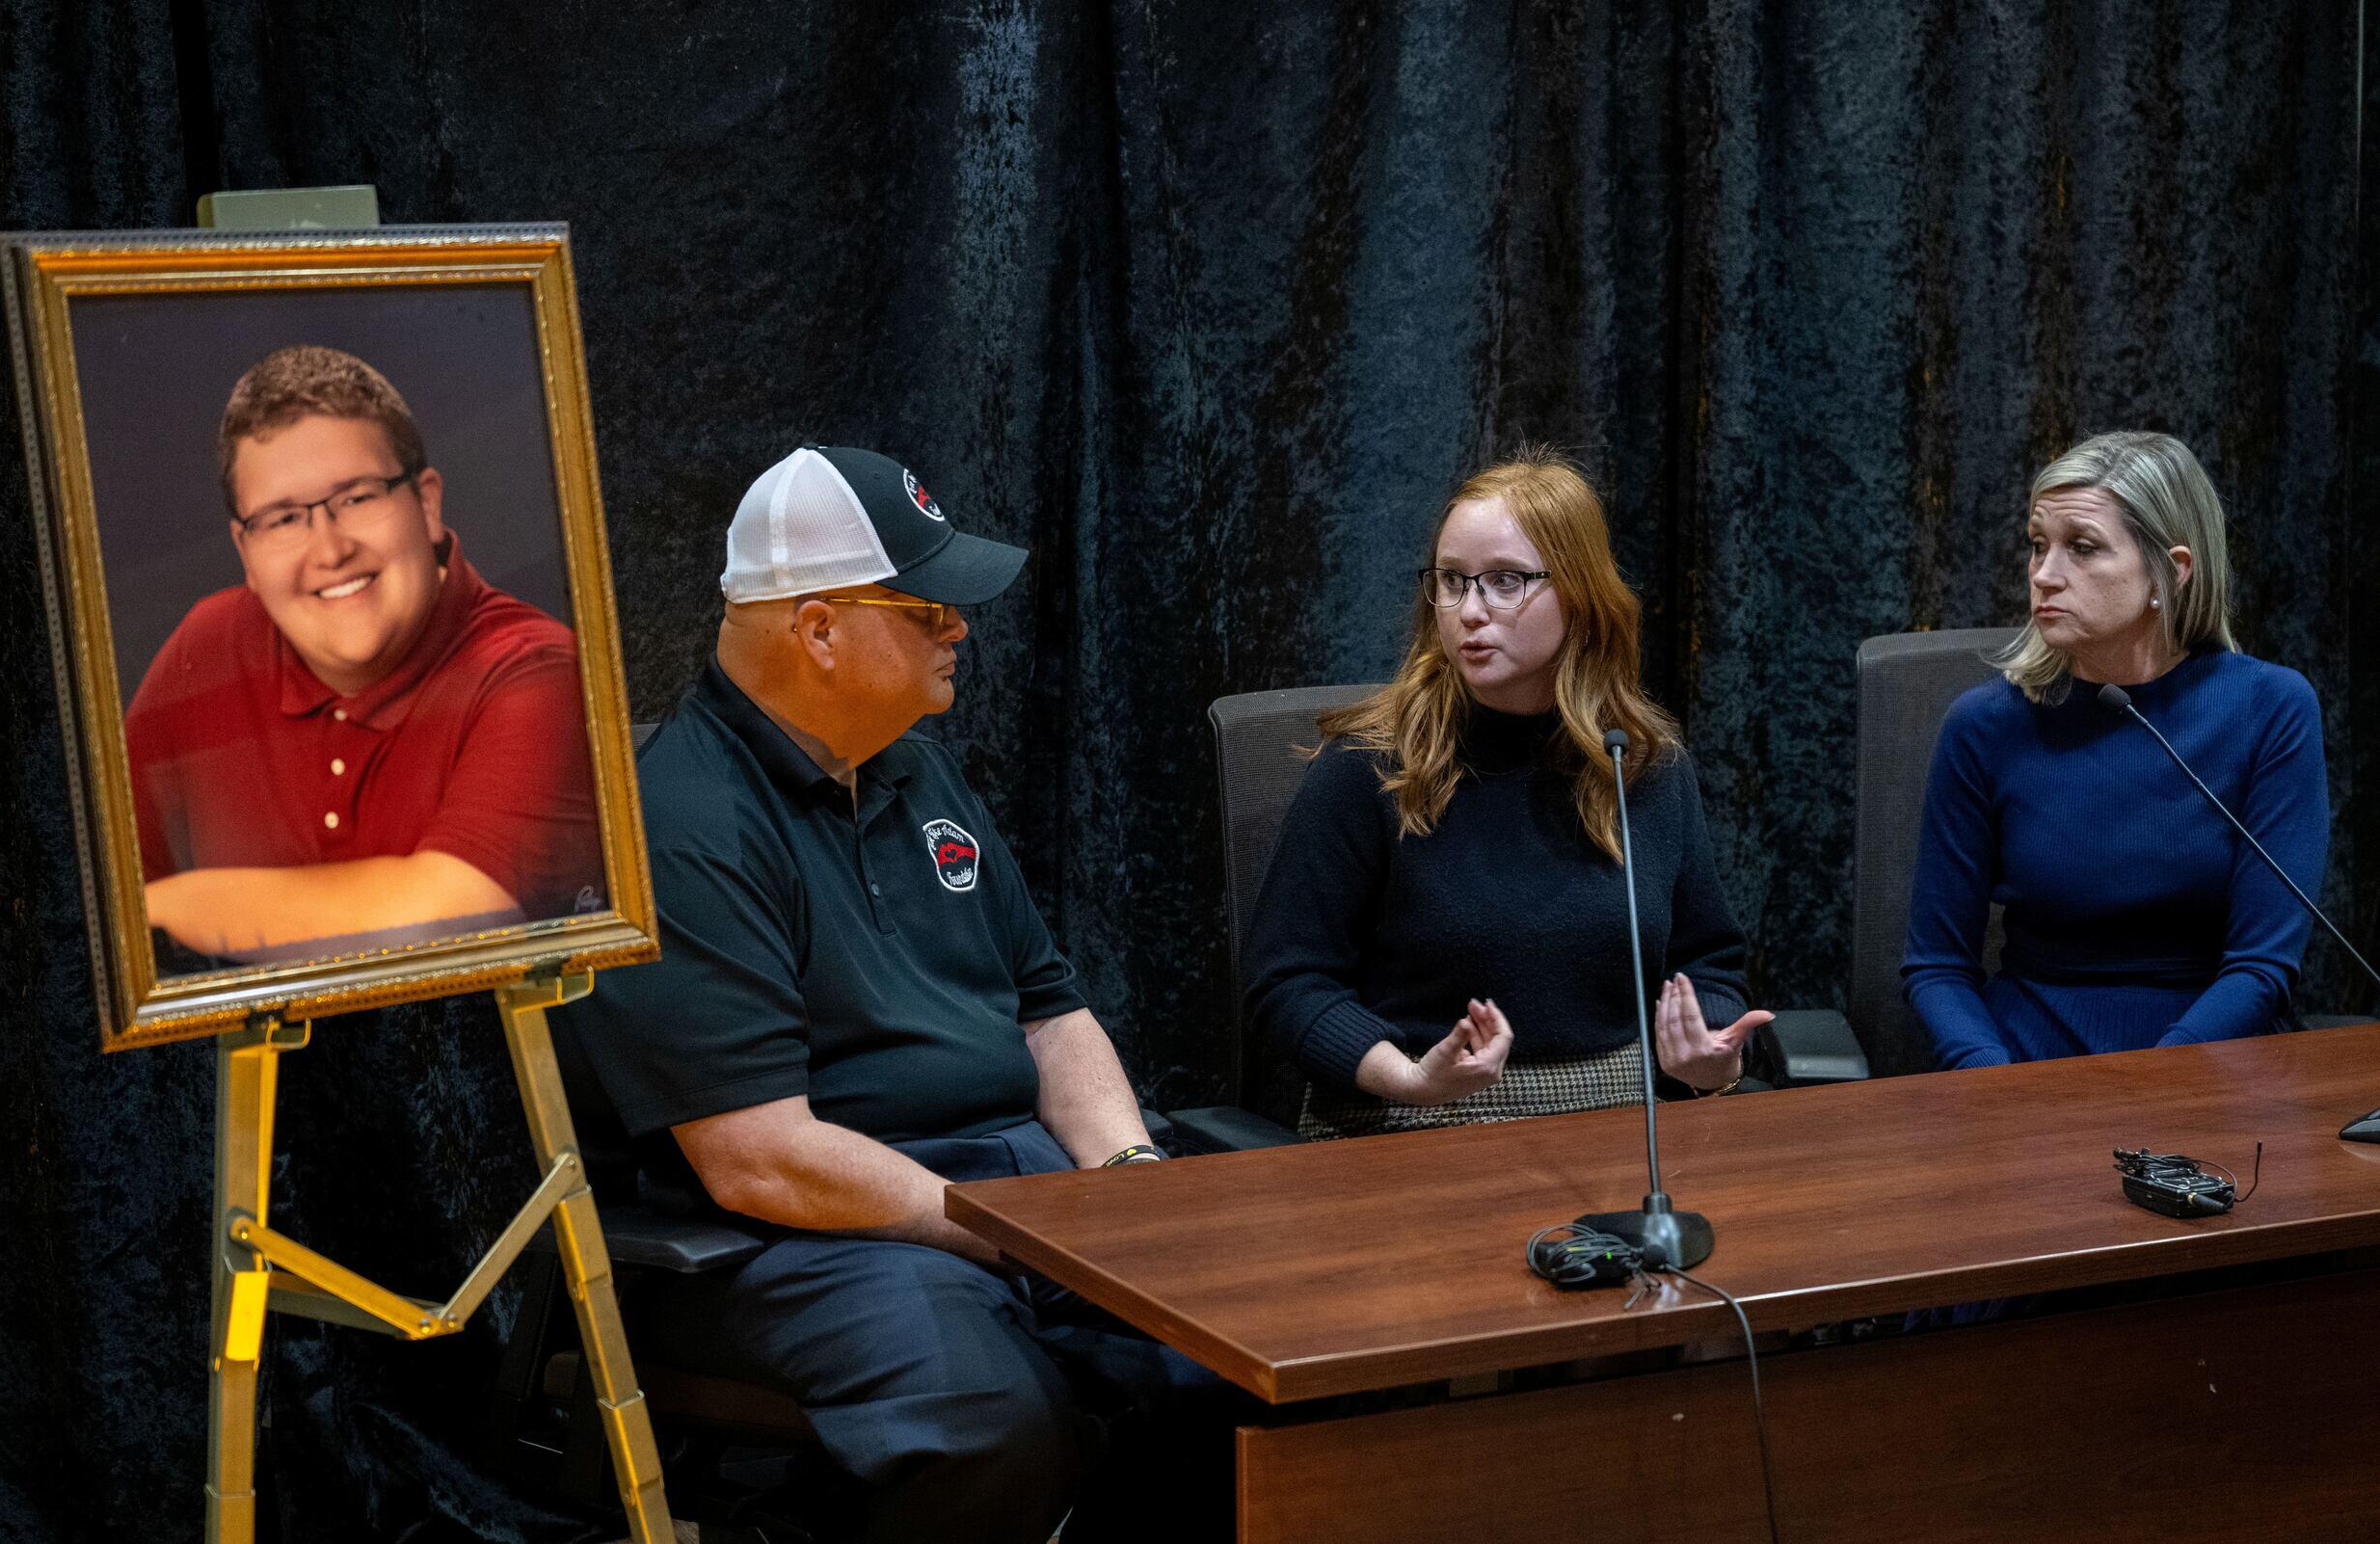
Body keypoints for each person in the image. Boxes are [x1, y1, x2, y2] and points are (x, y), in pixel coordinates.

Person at [555, 445, 1228, 1544]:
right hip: (804, 1236)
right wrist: (1023, 1234)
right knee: (994, 1422)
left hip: (1014, 1192)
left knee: (1248, 1351)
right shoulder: (677, 824)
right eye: (925, 608)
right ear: (819, 629)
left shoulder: (915, 764)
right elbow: (758, 1159)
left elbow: (1050, 1014)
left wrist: (1128, 1182)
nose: (959, 628)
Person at [1243, 446, 1771, 1138]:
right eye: (1452, 581)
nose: (1469, 610)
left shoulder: (1642, 763)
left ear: (1581, 596)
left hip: (1624, 1122)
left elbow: (1709, 964)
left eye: (1504, 581)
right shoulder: (1367, 766)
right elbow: (1287, 982)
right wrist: (1408, 1078)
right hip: (1413, 1120)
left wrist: (1708, 1054)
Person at [123, 345, 602, 963]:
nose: (330, 551)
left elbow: (449, 915)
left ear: (426, 504)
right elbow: (98, 875)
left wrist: (157, 909)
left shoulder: (539, 673)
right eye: (283, 519)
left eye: (358, 498)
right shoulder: (210, 642)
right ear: (245, 552)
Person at [1902, 430, 2328, 1069]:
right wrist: (1990, 1079)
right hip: (2024, 1065)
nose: (2044, 575)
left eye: (2082, 548)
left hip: (2209, 1064)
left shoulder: (2272, 709)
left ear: (2171, 570)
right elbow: (1937, 966)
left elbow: (2262, 968)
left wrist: (2157, 1080)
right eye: (2038, 545)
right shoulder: (1984, 724)